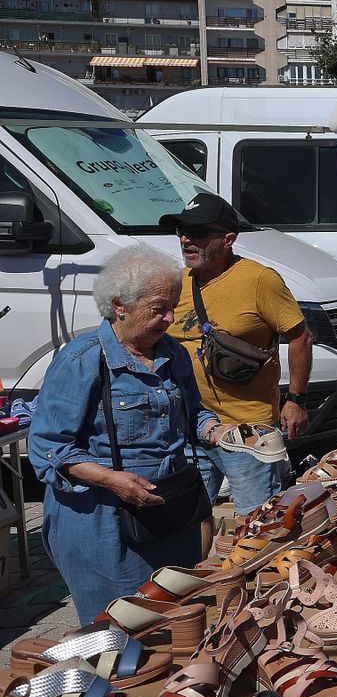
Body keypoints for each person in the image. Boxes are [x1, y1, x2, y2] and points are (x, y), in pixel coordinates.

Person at [28, 245, 223, 624]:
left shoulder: (173, 354)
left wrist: (218, 431)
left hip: (169, 511)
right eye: (158, 308)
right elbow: (48, 448)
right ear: (120, 305)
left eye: (174, 306)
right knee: (120, 632)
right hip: (102, 520)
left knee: (175, 622)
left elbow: (193, 414)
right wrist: (110, 479)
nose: (170, 318)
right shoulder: (82, 360)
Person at [162, 193, 310, 519]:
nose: (186, 239)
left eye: (198, 232)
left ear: (228, 239)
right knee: (186, 521)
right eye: (181, 231)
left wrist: (296, 400)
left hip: (247, 432)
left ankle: (266, 570)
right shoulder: (178, 282)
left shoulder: (260, 280)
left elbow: (300, 336)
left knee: (259, 523)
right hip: (191, 427)